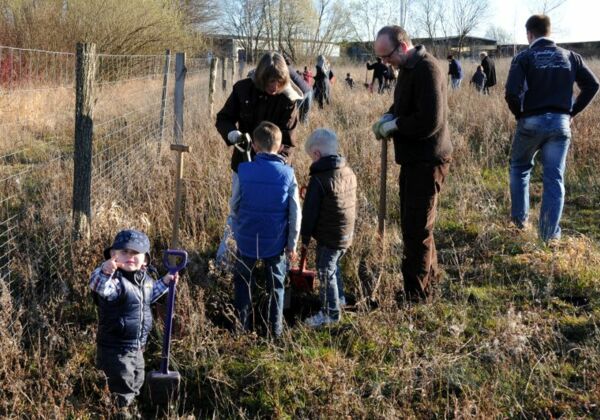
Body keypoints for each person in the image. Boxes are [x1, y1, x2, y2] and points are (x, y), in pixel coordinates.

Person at [371, 25, 453, 303]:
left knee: (417, 228)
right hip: (412, 160)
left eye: (387, 56)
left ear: (403, 47)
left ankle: (415, 296)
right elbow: (405, 105)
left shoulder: (427, 69)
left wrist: (396, 125)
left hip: (428, 160)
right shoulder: (407, 68)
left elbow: (430, 121)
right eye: (381, 58)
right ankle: (429, 281)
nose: (385, 63)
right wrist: (389, 115)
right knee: (414, 222)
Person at [505, 14, 599, 243]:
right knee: (554, 178)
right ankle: (548, 237)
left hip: (530, 121)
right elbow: (593, 85)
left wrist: (520, 115)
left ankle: (519, 224)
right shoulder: (571, 57)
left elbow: (511, 93)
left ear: (529, 34)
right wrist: (572, 112)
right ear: (549, 31)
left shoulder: (524, 57)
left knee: (519, 168)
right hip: (560, 123)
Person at [215, 52, 299, 266]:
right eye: (271, 81)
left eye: (279, 81)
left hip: (275, 171)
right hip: (243, 164)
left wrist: (274, 163)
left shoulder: (288, 99)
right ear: (261, 79)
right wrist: (231, 134)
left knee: (274, 213)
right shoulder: (243, 89)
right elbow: (223, 118)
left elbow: (288, 139)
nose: (275, 86)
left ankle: (275, 259)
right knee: (238, 211)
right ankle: (227, 259)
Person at [90, 229, 179, 414]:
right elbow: (99, 286)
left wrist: (165, 282)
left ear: (145, 260)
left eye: (135, 253)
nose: (129, 257)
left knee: (137, 378)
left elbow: (149, 295)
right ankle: (121, 412)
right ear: (113, 255)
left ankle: (132, 406)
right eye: (124, 252)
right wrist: (104, 271)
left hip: (137, 346)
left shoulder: (145, 281)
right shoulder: (115, 282)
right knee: (121, 384)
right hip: (115, 349)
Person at [231, 121, 301, 337]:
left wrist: (237, 228)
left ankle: (242, 328)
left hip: (246, 238)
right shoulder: (288, 174)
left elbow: (234, 204)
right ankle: (275, 331)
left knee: (243, 281)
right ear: (280, 147)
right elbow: (295, 213)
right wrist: (292, 244)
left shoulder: (243, 170)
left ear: (254, 146)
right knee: (276, 286)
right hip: (276, 241)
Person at [301, 128, 357, 327]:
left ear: (316, 154)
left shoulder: (319, 180)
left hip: (329, 236)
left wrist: (304, 238)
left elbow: (309, 213)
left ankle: (330, 314)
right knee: (334, 266)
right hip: (346, 233)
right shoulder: (348, 171)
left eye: (311, 157)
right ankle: (339, 299)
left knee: (326, 270)